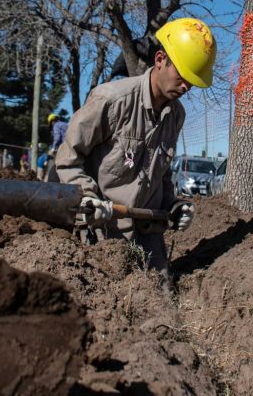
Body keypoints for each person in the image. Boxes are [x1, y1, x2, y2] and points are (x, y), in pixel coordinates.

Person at [55, 17, 216, 282]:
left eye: (193, 81)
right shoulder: (111, 100)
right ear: (160, 59)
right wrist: (88, 196)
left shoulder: (176, 116)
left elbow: (161, 175)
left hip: (148, 235)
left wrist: (173, 205)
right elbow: (68, 158)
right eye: (182, 75)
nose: (186, 86)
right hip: (103, 233)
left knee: (162, 306)